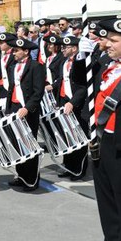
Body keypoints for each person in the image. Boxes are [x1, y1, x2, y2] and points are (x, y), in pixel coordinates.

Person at [92, 17, 121, 241]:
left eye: (114, 40)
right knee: (108, 208)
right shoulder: (109, 64)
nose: (107, 44)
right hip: (103, 142)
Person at [6, 37, 45, 192]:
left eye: (16, 50)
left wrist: (27, 108)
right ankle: (21, 176)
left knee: (29, 144)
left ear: (26, 51)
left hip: (28, 111)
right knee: (16, 143)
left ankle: (31, 179)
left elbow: (38, 92)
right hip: (14, 108)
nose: (13, 53)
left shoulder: (36, 67)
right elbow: (12, 89)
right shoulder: (13, 66)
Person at [51, 36, 88, 179]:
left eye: (65, 47)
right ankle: (69, 167)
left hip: (76, 105)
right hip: (64, 102)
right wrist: (52, 87)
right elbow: (62, 80)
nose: (62, 49)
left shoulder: (80, 64)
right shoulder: (64, 62)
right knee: (67, 136)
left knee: (79, 138)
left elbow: (82, 87)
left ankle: (79, 170)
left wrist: (73, 102)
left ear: (74, 48)